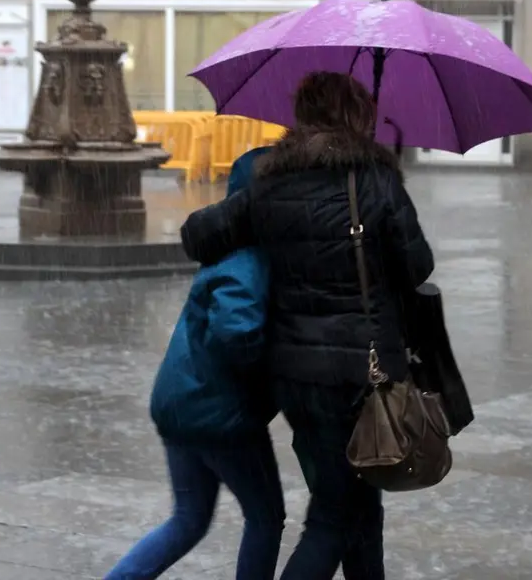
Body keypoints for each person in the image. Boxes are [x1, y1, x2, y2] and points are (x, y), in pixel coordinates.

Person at [179, 72, 435, 580]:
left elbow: (197, 235)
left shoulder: (273, 181)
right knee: (333, 517)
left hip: (296, 376)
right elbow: (418, 265)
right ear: (357, 116)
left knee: (359, 502)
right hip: (362, 376)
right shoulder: (375, 179)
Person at [104, 147, 285, 580]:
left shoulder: (223, 249)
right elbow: (237, 332)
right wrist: (273, 372)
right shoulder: (251, 259)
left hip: (179, 405)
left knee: (189, 518)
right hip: (219, 417)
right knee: (265, 517)